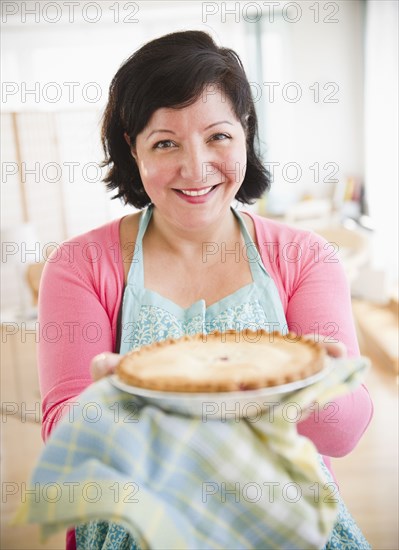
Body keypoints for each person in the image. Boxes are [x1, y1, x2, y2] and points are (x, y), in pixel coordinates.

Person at [37, 30, 373, 549]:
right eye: (165, 142)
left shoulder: (305, 257)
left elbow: (345, 433)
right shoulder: (80, 265)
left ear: (245, 134)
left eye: (217, 136)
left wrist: (317, 390)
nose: (195, 169)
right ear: (133, 149)